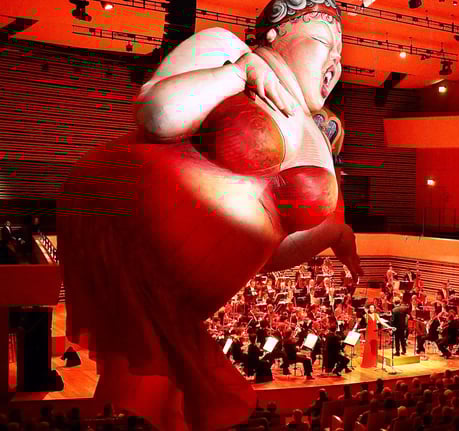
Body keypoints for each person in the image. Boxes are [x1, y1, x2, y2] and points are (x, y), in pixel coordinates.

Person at [57, 0, 361, 428]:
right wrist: (236, 73)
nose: (334, 63)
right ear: (273, 34)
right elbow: (156, 115)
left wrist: (335, 233)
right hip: (128, 228)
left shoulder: (313, 135)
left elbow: (274, 248)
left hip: (190, 296)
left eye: (341, 56)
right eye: (323, 43)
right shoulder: (228, 48)